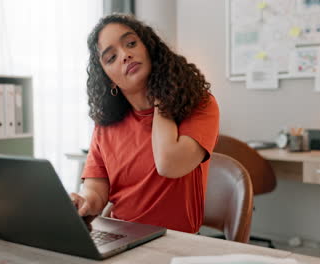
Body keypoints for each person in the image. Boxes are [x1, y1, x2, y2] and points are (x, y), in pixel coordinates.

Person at [70, 14, 219, 234]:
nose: (125, 55)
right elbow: (96, 191)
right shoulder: (106, 126)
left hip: (176, 243)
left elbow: (169, 163)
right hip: (122, 237)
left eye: (131, 44)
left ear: (149, 48)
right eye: (111, 58)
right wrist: (84, 202)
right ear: (109, 78)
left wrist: (161, 95)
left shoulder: (199, 104)